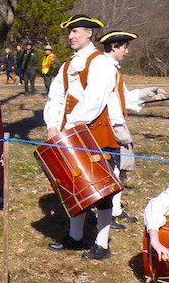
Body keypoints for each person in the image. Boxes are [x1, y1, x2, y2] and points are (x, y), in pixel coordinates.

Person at [43, 14, 119, 260]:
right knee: (74, 185)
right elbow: (56, 96)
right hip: (69, 133)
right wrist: (53, 125)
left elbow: (94, 100)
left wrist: (72, 125)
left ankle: (102, 244)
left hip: (95, 134)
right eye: (70, 32)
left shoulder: (101, 63)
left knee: (101, 190)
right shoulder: (66, 65)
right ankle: (75, 238)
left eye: (75, 31)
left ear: (89, 33)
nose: (70, 36)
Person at [98, 30, 168, 229]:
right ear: (114, 47)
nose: (127, 52)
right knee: (113, 170)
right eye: (124, 47)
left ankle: (116, 210)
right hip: (110, 126)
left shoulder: (113, 69)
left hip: (118, 124)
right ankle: (108, 214)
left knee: (121, 170)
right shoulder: (103, 68)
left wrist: (147, 92)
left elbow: (124, 98)